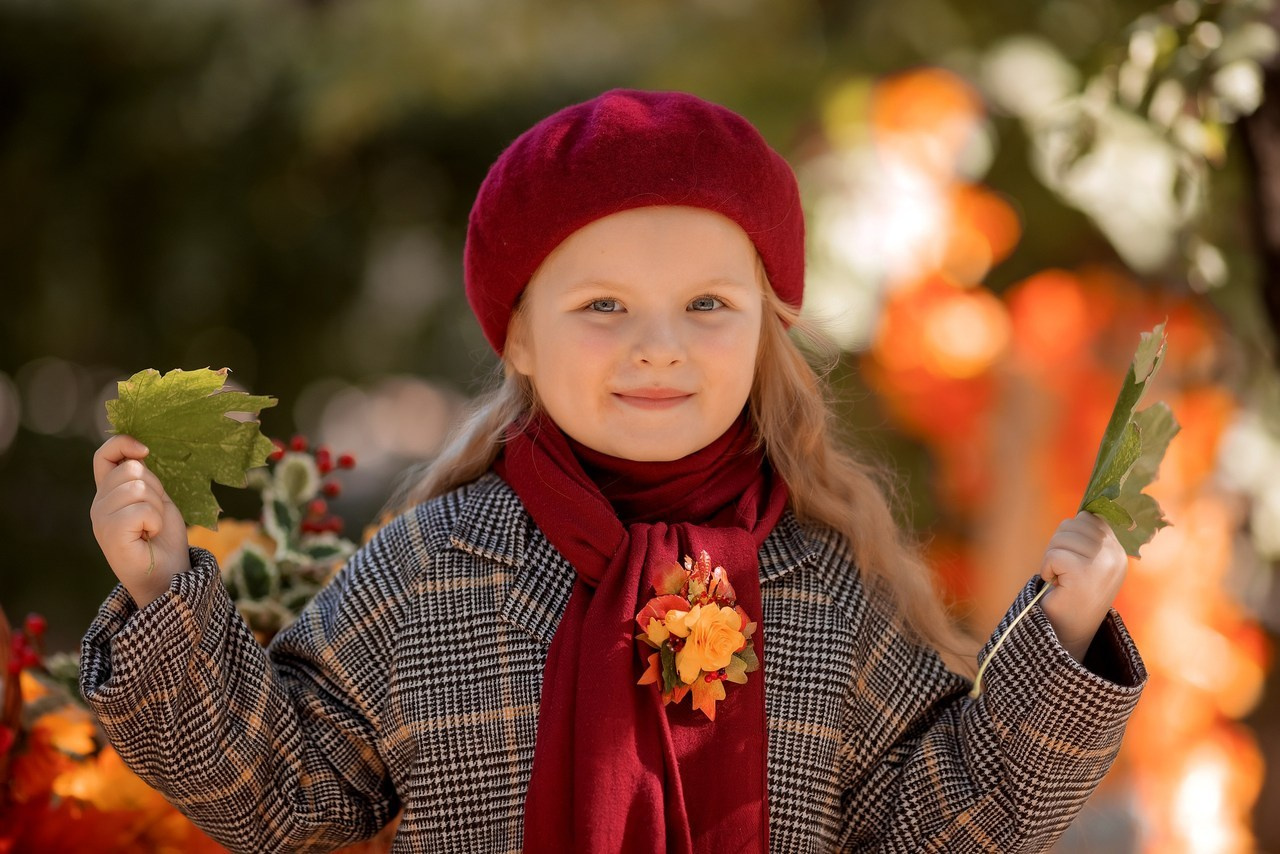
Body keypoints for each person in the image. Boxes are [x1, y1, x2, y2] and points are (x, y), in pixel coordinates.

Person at [84, 89, 1146, 853]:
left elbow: (943, 827)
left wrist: (1059, 638)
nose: (658, 346)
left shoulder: (822, 584)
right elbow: (285, 799)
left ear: (764, 331)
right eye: (602, 307)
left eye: (705, 305)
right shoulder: (431, 570)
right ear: (520, 340)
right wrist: (157, 592)